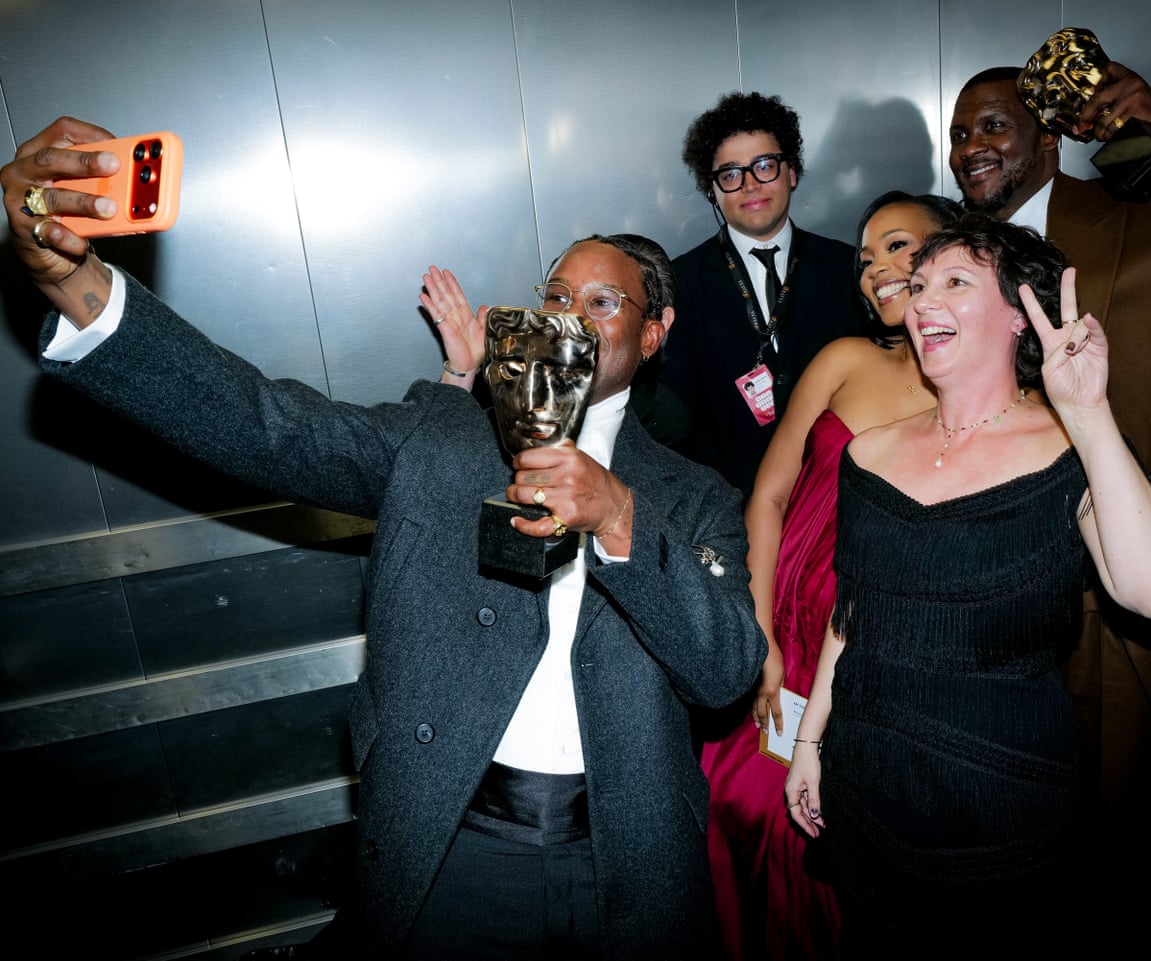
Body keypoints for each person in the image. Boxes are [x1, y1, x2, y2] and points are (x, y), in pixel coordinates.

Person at [3, 117, 767, 961]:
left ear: (653, 335)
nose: (570, 318)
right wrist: (84, 291)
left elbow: (726, 670)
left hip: (630, 872)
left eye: (602, 301)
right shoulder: (442, 440)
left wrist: (619, 514)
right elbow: (267, 426)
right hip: (452, 853)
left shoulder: (695, 498)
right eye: (554, 296)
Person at [782, 215, 1151, 959]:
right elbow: (853, 612)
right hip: (867, 792)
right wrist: (810, 738)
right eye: (917, 286)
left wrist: (1088, 411)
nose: (920, 302)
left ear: (1018, 314)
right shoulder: (869, 455)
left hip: (1002, 808)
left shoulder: (1070, 451)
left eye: (954, 282)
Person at [949, 63, 1151, 954]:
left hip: (1150, 583)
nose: (971, 147)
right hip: (1022, 615)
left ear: (1049, 138)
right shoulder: (952, 271)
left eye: (992, 126)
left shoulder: (1149, 213)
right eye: (960, 134)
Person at [698, 191, 961, 960]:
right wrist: (760, 634)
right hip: (787, 628)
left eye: (899, 246)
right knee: (744, 811)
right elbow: (769, 496)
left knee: (856, 846)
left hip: (888, 655)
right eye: (867, 255)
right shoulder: (845, 360)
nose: (877, 268)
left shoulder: (995, 395)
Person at [661, 91, 864, 500]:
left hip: (838, 495)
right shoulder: (680, 282)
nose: (750, 184)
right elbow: (677, 417)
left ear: (792, 172)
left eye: (764, 166)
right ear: (711, 190)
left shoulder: (849, 267)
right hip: (727, 501)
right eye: (731, 174)